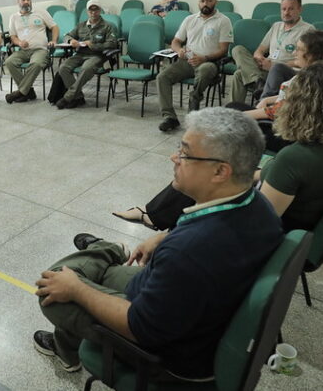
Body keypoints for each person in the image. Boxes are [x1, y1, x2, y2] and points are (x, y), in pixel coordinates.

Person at [34, 107, 283, 380]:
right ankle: (105, 253)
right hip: (188, 309)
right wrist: (165, 237)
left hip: (167, 353)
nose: (174, 157)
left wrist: (77, 291)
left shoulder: (189, 252)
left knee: (55, 285)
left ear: (220, 171)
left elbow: (139, 327)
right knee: (86, 273)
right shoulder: (258, 205)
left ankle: (106, 251)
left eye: (186, 153)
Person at [114, 62, 323, 234]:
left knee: (205, 171)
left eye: (290, 99)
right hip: (300, 221)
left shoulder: (295, 157)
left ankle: (161, 228)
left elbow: (256, 225)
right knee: (212, 168)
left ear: (302, 106)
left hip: (274, 233)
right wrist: (246, 175)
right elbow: (287, 177)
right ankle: (156, 216)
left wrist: (211, 197)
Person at [157, 0, 233, 132]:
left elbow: (223, 49)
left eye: (209, 1)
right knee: (162, 77)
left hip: (209, 62)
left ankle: (193, 105)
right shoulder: (190, 19)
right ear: (199, 3)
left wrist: (204, 58)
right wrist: (179, 50)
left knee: (205, 69)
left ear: (215, 2)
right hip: (188, 61)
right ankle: (170, 117)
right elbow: (175, 41)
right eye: (202, 1)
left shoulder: (223, 21)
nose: (205, 3)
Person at [231, 0, 313, 103]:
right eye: (283, 9)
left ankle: (256, 87)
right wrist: (260, 58)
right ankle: (257, 82)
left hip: (286, 72)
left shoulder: (308, 30)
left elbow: (307, 61)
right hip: (265, 67)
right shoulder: (276, 26)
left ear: (299, 9)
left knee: (239, 75)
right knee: (237, 50)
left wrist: (275, 66)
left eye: (291, 9)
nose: (286, 13)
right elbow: (260, 49)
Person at [243, 30, 323, 122]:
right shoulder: (316, 74)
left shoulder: (313, 80)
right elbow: (288, 97)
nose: (294, 53)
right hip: (283, 119)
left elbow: (280, 111)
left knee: (234, 111)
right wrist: (266, 100)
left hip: (287, 129)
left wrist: (241, 115)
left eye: (299, 50)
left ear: (311, 55)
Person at [55, 0, 117, 109]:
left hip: (96, 56)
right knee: (63, 67)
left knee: (86, 68)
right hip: (80, 54)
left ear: (100, 11)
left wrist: (93, 45)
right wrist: (71, 41)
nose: (93, 13)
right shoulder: (81, 25)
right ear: (87, 12)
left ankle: (68, 97)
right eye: (90, 10)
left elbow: (111, 44)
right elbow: (67, 36)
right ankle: (78, 97)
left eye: (96, 10)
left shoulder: (107, 26)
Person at [4, 0, 58, 103]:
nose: (26, 2)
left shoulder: (41, 12)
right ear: (18, 1)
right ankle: (28, 91)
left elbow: (54, 27)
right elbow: (13, 37)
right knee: (9, 62)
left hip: (40, 50)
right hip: (23, 50)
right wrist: (19, 42)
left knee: (36, 64)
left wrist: (53, 40)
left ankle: (21, 92)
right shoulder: (13, 17)